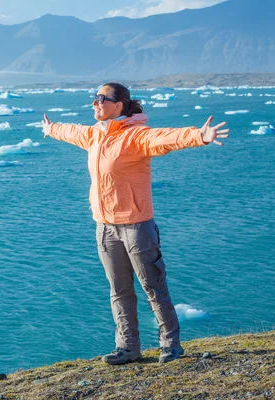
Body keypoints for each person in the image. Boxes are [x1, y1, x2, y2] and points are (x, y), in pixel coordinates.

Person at [42, 82, 229, 364]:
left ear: (119, 105)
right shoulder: (95, 135)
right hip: (105, 227)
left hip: (137, 227)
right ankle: (128, 348)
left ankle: (171, 346)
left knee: (153, 287)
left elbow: (164, 138)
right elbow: (71, 131)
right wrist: (51, 128)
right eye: (94, 98)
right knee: (119, 291)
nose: (95, 103)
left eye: (101, 98)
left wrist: (198, 136)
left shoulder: (135, 137)